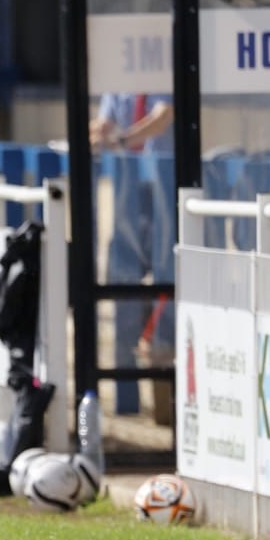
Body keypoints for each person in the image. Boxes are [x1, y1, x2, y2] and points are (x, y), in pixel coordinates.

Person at [89, 92, 174, 378]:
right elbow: (104, 120)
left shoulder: (160, 72)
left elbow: (162, 118)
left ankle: (163, 360)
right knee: (123, 268)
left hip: (165, 184)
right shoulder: (119, 82)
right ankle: (126, 373)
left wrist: (122, 140)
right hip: (130, 186)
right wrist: (98, 133)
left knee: (167, 271)